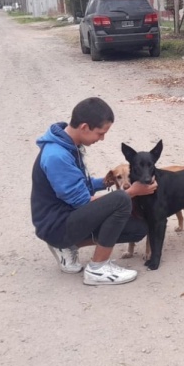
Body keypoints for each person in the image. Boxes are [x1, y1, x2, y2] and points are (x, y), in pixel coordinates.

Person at [30, 97, 157, 286]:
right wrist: (132, 192)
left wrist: (106, 182)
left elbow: (78, 185)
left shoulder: (69, 145)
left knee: (137, 229)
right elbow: (84, 203)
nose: (102, 138)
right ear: (84, 127)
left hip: (65, 216)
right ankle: (98, 268)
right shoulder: (57, 156)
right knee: (121, 200)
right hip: (55, 225)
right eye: (100, 133)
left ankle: (69, 245)